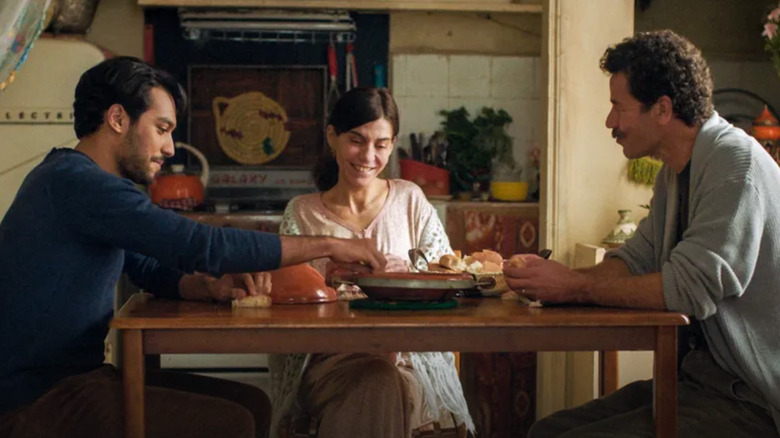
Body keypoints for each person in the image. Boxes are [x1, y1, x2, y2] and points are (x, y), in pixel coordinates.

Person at [0, 56, 386, 438]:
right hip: (34, 399)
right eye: (162, 129)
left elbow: (147, 266)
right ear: (118, 119)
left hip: (74, 380)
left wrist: (206, 287)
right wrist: (331, 244)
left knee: (254, 404)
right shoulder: (77, 183)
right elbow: (202, 245)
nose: (170, 148)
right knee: (232, 422)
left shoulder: (84, 183)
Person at [503, 30, 780, 438]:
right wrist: (554, 280)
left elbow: (689, 290)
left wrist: (575, 288)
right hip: (698, 384)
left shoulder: (735, 164)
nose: (610, 122)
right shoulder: (675, 172)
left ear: (663, 109)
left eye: (619, 107)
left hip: (752, 398)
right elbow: (636, 261)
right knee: (545, 431)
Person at [268, 87, 474, 438]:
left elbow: (449, 276)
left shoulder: (411, 200)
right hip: (331, 361)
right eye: (356, 140)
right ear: (332, 137)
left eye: (381, 144)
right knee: (376, 381)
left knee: (384, 381)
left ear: (393, 145)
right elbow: (281, 302)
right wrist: (324, 281)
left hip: (413, 360)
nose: (368, 155)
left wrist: (407, 276)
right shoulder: (301, 213)